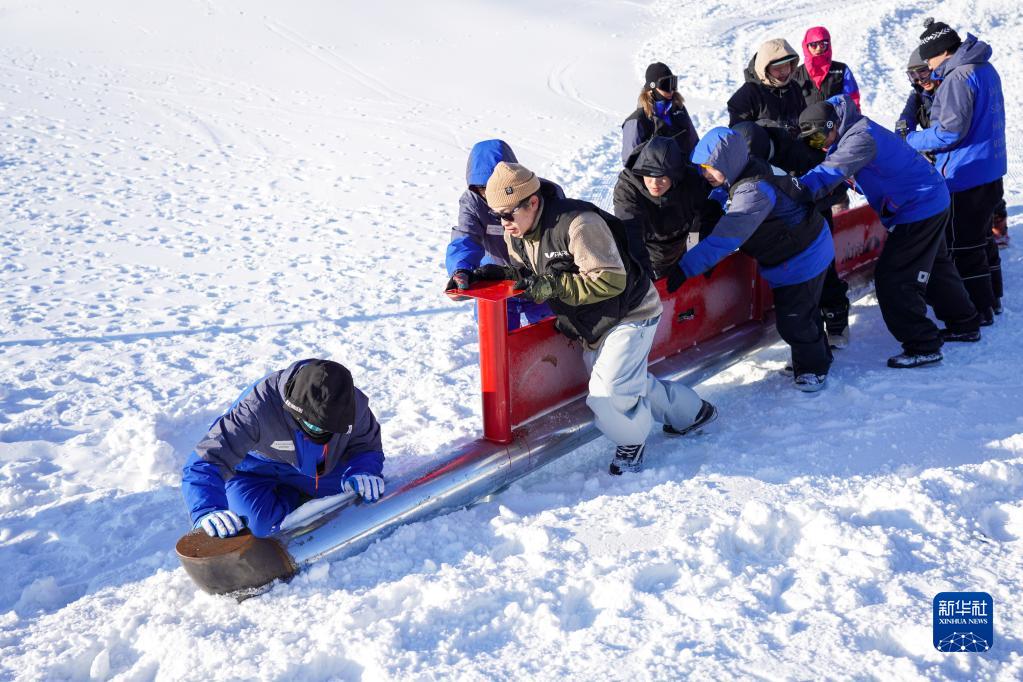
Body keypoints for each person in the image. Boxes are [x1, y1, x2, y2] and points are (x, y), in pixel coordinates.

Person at [471, 162, 716, 475]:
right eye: (496, 216)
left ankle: (632, 441)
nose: (503, 224)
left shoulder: (579, 224)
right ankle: (692, 412)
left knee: (607, 394)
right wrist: (500, 275)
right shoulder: (517, 234)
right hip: (591, 322)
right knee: (628, 384)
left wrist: (552, 286)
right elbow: (530, 274)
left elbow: (611, 280)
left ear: (532, 202)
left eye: (508, 214)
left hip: (630, 313)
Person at [797, 97, 981, 368]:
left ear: (832, 125)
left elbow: (828, 173)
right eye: (812, 142)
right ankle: (964, 323)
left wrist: (792, 191)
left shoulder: (860, 138)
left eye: (819, 138)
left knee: (894, 278)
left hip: (918, 206)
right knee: (935, 267)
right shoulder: (850, 132)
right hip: (928, 198)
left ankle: (923, 344)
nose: (819, 145)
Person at [667, 127, 834, 391]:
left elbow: (726, 238)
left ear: (728, 161)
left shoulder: (754, 191)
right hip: (805, 246)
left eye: (710, 167)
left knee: (794, 320)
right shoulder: (748, 168)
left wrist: (686, 267)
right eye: (702, 168)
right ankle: (815, 355)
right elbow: (729, 192)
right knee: (804, 311)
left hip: (801, 256)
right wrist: (714, 201)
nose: (705, 174)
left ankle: (813, 368)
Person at [181, 359, 385, 538]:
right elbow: (208, 458)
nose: (319, 432)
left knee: (355, 498)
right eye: (313, 426)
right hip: (253, 473)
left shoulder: (353, 406)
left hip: (318, 470)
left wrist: (363, 471)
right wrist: (206, 509)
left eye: (327, 428)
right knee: (253, 529)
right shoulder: (256, 407)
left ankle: (295, 497)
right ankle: (287, 500)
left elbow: (367, 446)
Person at [906, 19, 1006, 324]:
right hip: (989, 168)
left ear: (941, 51)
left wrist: (911, 140)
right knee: (983, 239)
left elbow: (950, 132)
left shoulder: (957, 77)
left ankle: (978, 310)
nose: (928, 65)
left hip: (965, 173)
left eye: (929, 58)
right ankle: (993, 299)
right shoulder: (983, 67)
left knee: (964, 247)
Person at [730, 121, 852, 349]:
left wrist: (805, 203)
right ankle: (812, 337)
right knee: (799, 286)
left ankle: (836, 318)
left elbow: (838, 185)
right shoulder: (745, 163)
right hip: (781, 226)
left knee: (824, 271)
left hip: (814, 218)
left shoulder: (801, 153)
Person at [445, 139, 557, 329]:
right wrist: (461, 269)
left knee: (550, 330)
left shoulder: (543, 192)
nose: (489, 195)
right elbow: (465, 236)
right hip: (497, 276)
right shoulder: (472, 202)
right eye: (483, 190)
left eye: (494, 187)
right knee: (495, 330)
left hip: (539, 274)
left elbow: (559, 239)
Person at [612, 136, 719, 280]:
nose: (654, 183)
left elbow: (706, 218)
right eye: (648, 175)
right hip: (648, 250)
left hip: (684, 240)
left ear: (674, 174)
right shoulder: (628, 187)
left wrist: (700, 255)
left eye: (661, 176)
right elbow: (629, 232)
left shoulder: (691, 182)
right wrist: (642, 272)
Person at [621, 62, 700, 166]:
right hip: (656, 174)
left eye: (673, 84)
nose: (671, 91)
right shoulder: (637, 120)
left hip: (685, 171)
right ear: (652, 88)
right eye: (666, 85)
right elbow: (630, 161)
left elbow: (694, 143)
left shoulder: (678, 110)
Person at [727, 38, 805, 136]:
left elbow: (804, 120)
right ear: (764, 68)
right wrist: (769, 130)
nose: (783, 72)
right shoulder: (747, 95)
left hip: (795, 144)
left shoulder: (794, 87)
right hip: (764, 145)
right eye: (777, 68)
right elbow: (740, 135)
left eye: (787, 65)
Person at [793, 26, 861, 109]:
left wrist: (854, 115)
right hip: (805, 117)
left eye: (823, 44)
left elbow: (852, 99)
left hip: (837, 117)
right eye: (813, 45)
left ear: (828, 45)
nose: (818, 48)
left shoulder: (842, 70)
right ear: (806, 46)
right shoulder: (796, 73)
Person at [896, 48, 937, 136]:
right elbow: (906, 117)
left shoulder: (952, 89)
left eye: (923, 72)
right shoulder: (918, 95)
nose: (921, 81)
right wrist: (902, 133)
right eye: (913, 76)